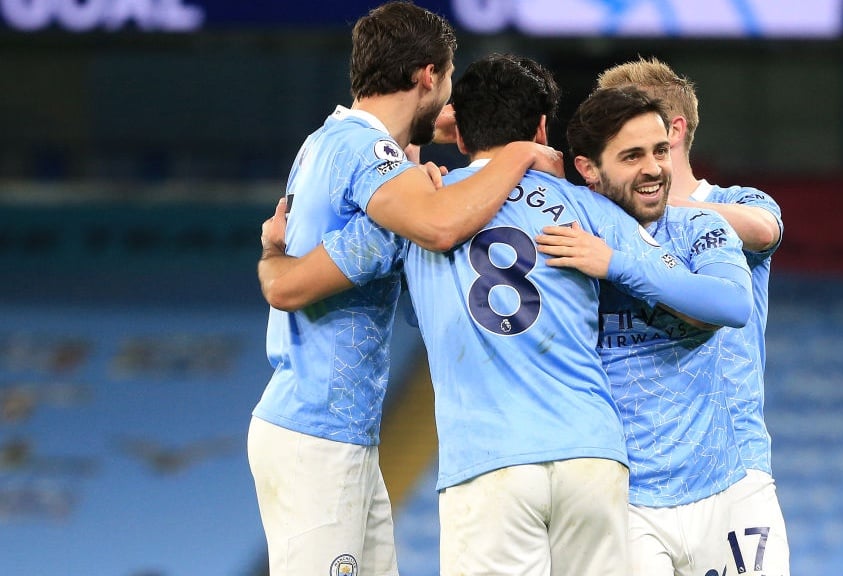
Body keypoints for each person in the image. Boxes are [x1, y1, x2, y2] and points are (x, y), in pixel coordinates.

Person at [258, 54, 752, 576]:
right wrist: (618, 264)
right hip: (591, 457)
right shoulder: (589, 210)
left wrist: (271, 253)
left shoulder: (418, 213)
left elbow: (293, 284)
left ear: (462, 138)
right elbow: (710, 300)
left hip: (488, 463)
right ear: (542, 128)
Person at [247, 4, 562, 576]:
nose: (448, 104)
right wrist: (517, 152)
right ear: (426, 75)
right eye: (447, 81)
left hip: (338, 430)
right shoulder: (366, 153)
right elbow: (439, 225)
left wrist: (418, 153)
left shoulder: (331, 141)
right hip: (317, 432)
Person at [597, 57, 790, 575]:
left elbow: (764, 229)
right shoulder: (603, 221)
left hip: (734, 468)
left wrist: (660, 212)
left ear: (674, 129)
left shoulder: (733, 203)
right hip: (634, 481)